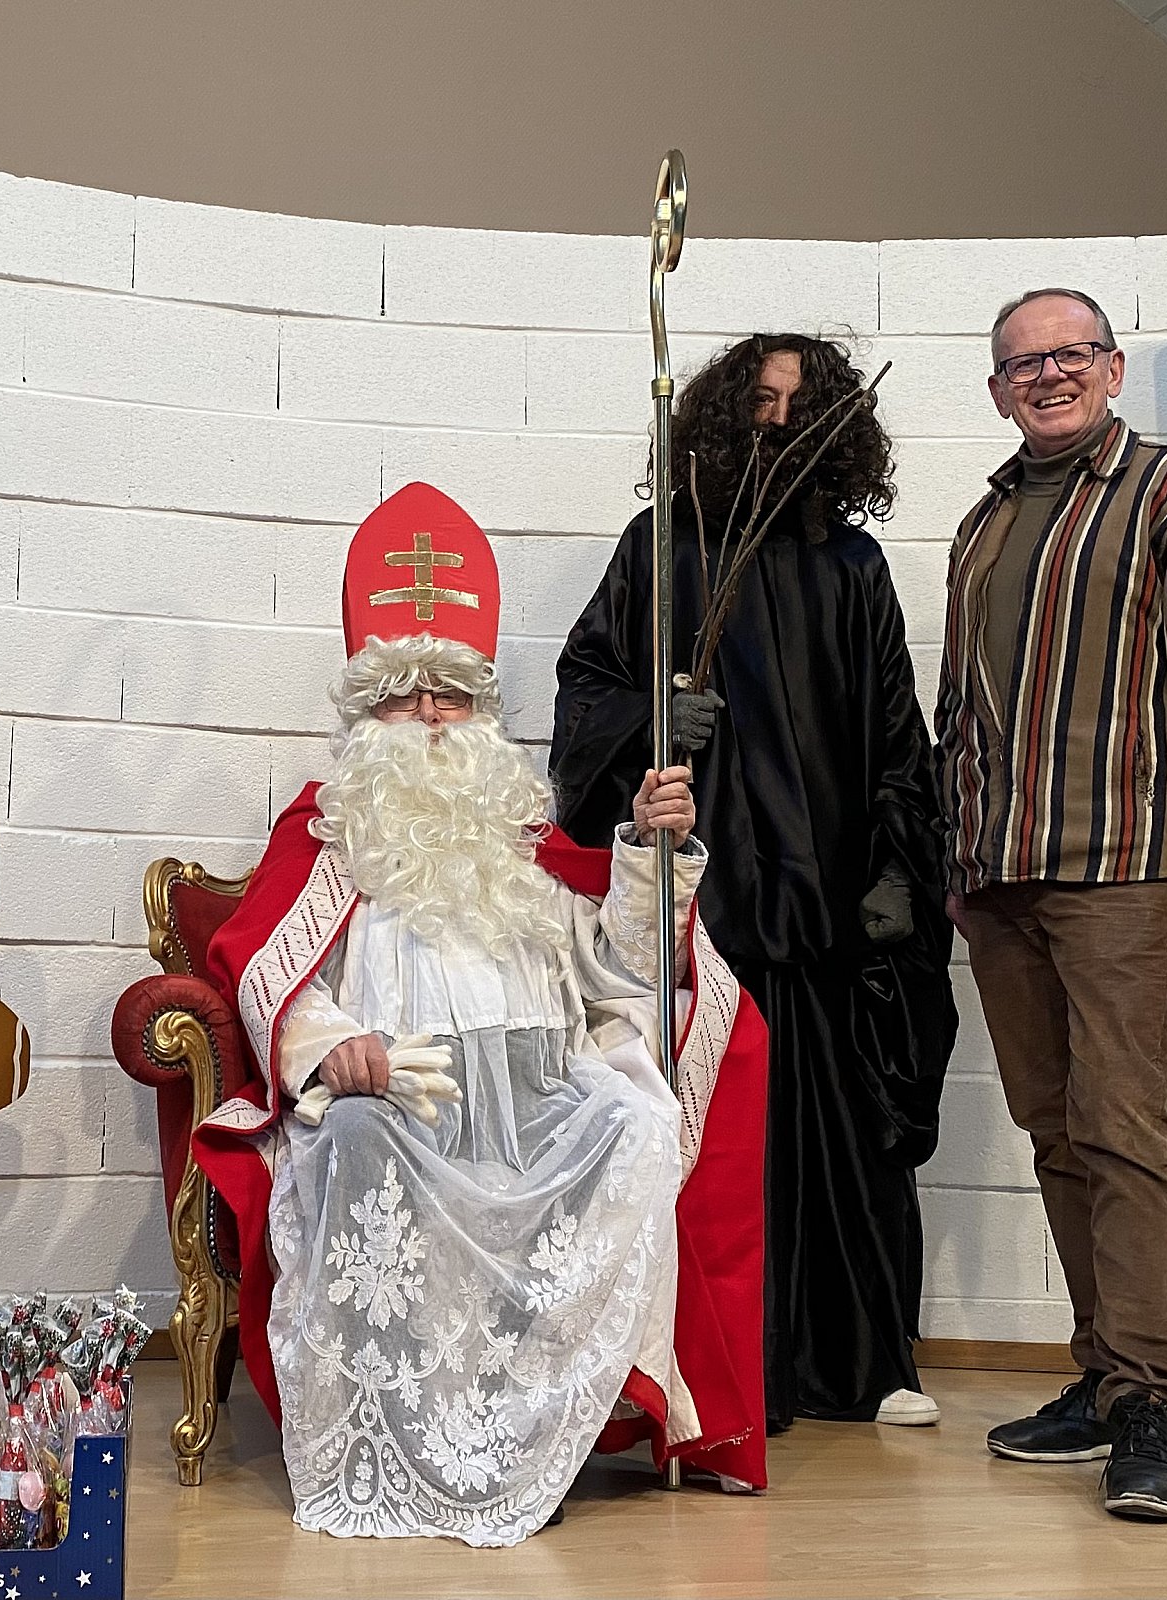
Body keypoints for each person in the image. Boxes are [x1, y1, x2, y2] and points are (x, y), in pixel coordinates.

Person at [192, 481, 769, 1547]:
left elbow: (616, 971)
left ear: (482, 714)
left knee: (636, 1120)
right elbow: (267, 971)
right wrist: (336, 1050)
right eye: (402, 696)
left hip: (537, 1093)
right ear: (363, 716)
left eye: (450, 696)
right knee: (355, 1137)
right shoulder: (327, 837)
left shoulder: (523, 844)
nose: (427, 716)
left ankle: (543, 1425)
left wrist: (648, 852)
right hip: (400, 1097)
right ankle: (402, 1441)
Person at [551, 334, 957, 1433]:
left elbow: (895, 733)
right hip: (710, 897)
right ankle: (723, 1371)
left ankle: (864, 1364)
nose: (779, 423)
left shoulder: (852, 567)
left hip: (828, 904)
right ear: (725, 418)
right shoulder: (662, 547)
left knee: (846, 1139)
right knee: (712, 1134)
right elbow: (586, 685)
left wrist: (897, 869)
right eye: (762, 403)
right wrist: (652, 720)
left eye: (801, 406)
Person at [932, 289, 1167, 1520]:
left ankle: (1148, 1406)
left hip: (1125, 868)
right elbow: (961, 708)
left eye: (1069, 353)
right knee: (1056, 1131)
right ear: (996, 390)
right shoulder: (981, 523)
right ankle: (1100, 1370)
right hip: (1000, 879)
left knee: (1127, 1131)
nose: (1047, 375)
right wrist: (955, 855)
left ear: (1113, 368)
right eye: (1022, 364)